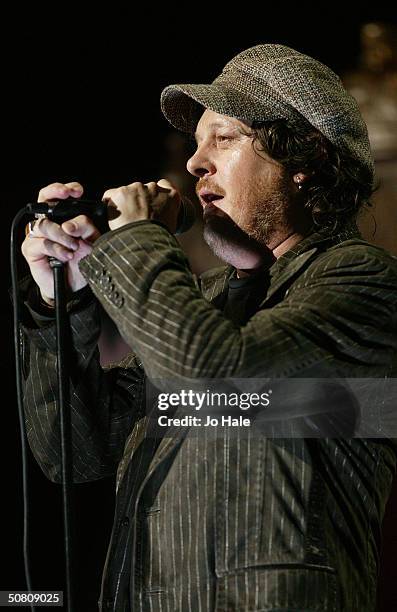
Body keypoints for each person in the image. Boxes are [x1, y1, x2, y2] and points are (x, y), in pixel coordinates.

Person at [20, 44, 397, 611]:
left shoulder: (363, 282)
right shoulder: (202, 305)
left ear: (305, 160)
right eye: (195, 143)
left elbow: (218, 378)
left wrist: (135, 240)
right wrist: (65, 298)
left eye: (223, 138)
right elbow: (75, 451)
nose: (196, 163)